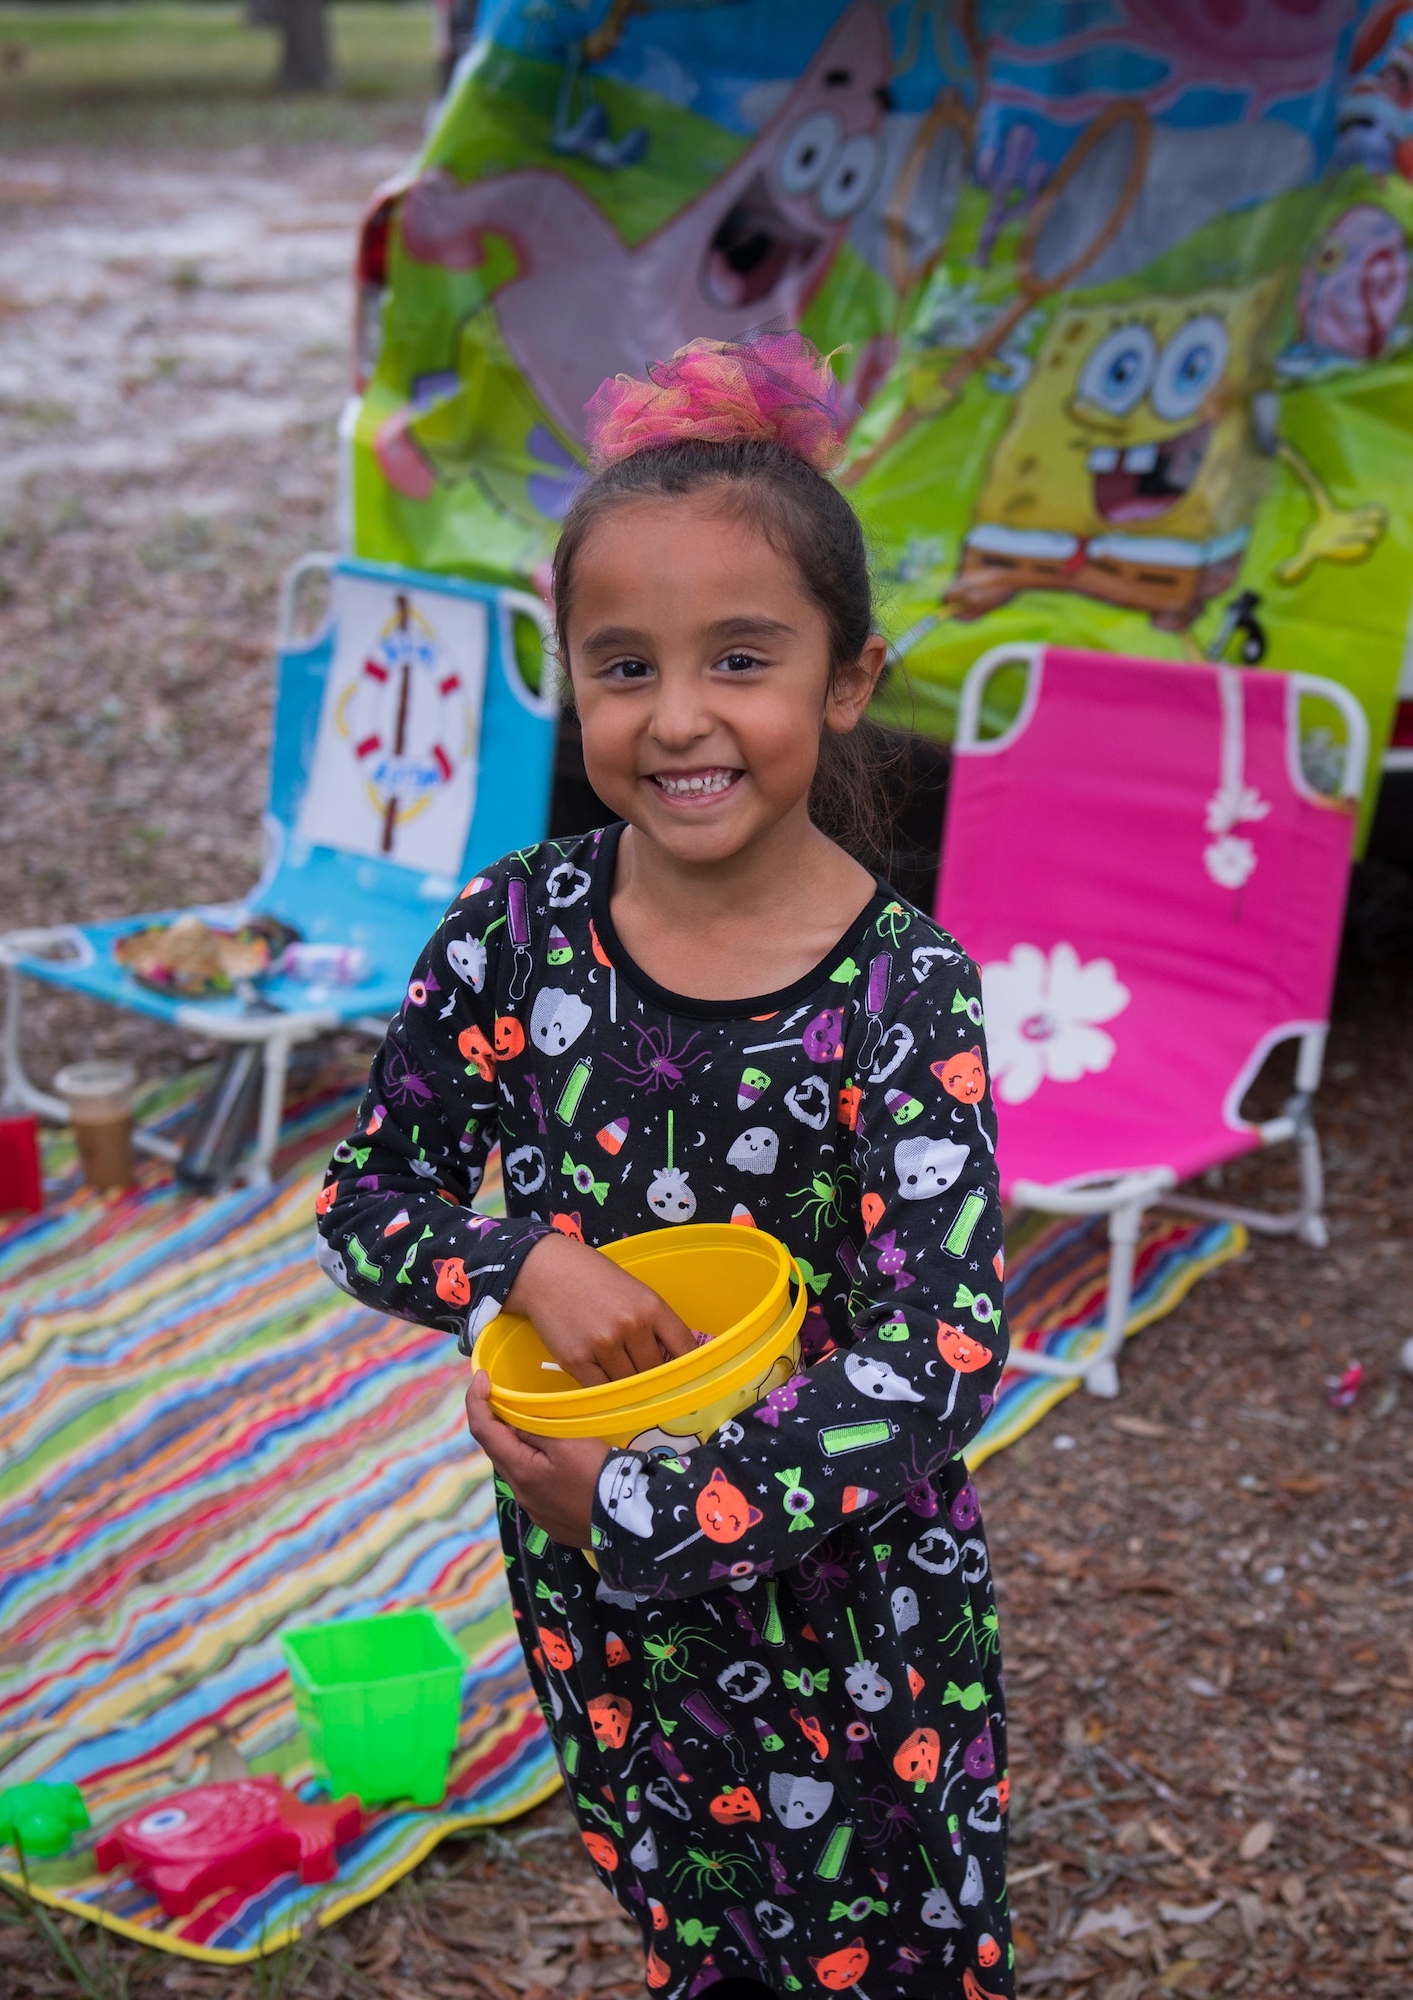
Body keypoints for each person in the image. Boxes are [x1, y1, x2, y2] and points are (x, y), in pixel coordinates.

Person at [316, 334, 1010, 2000]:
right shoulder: (516, 932)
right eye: (624, 666)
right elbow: (371, 1203)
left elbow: (941, 1358)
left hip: (847, 1626)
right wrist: (524, 1262)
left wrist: (652, 1505)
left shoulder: (905, 995)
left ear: (850, 679)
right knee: (686, 1915)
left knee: (881, 1953)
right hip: (589, 1602)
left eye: (742, 660)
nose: (679, 716)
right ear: (570, 679)